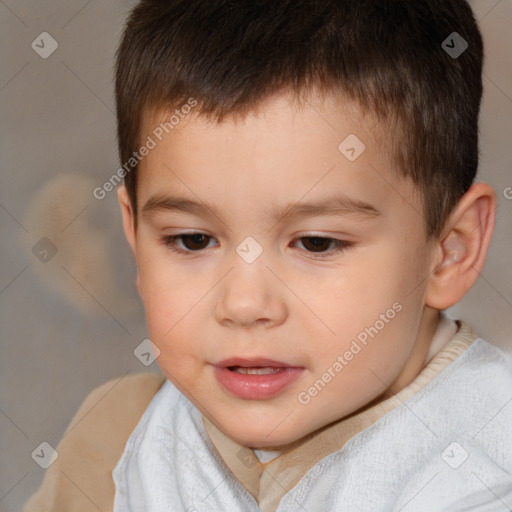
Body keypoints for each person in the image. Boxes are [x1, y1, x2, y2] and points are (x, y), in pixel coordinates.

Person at [22, 0, 512, 510]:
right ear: (135, 236)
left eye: (317, 243)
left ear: (449, 251)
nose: (244, 303)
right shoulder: (114, 444)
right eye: (192, 240)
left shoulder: (481, 474)